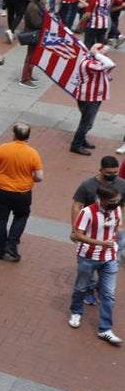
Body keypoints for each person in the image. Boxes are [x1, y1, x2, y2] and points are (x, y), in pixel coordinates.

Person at [69, 185, 123, 346]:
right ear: (103, 200)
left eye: (117, 200)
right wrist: (100, 242)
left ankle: (105, 329)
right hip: (88, 257)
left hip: (109, 257)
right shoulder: (87, 212)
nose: (116, 203)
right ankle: (76, 311)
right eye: (113, 201)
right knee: (81, 288)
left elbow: (115, 228)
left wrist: (115, 243)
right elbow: (77, 235)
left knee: (108, 294)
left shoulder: (117, 210)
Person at [0, 122, 44, 262]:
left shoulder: (3, 148)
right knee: (21, 216)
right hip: (22, 193)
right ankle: (12, 244)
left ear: (14, 135)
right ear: (27, 137)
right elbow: (40, 177)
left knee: (0, 219)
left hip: (1, 190)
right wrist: (29, 179)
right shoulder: (33, 153)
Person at [72, 44, 116, 155]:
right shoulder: (88, 63)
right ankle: (76, 145)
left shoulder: (91, 61)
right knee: (86, 123)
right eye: (104, 54)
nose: (106, 55)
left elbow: (104, 71)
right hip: (89, 98)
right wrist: (97, 54)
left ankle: (81, 139)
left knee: (87, 122)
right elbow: (109, 63)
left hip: (93, 96)